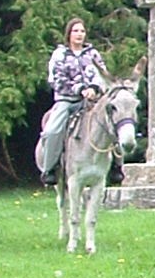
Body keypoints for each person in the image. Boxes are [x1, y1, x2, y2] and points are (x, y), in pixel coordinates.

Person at [36, 17, 112, 185]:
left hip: (92, 101)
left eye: (82, 31)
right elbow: (56, 79)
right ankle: (50, 168)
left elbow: (102, 74)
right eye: (75, 31)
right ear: (69, 34)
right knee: (52, 131)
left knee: (113, 120)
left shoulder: (92, 54)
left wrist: (94, 88)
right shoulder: (60, 55)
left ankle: (116, 167)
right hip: (67, 100)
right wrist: (79, 89)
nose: (79, 34)